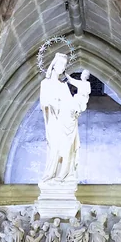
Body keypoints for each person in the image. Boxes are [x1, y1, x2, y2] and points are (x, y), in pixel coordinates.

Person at [39, 52, 91, 186]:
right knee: (55, 148)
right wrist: (53, 102)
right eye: (61, 64)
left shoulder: (63, 86)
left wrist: (77, 106)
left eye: (64, 65)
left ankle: (64, 174)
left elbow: (69, 102)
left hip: (67, 121)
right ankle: (51, 174)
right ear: (54, 65)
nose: (63, 67)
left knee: (67, 148)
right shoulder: (45, 83)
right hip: (54, 120)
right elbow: (43, 102)